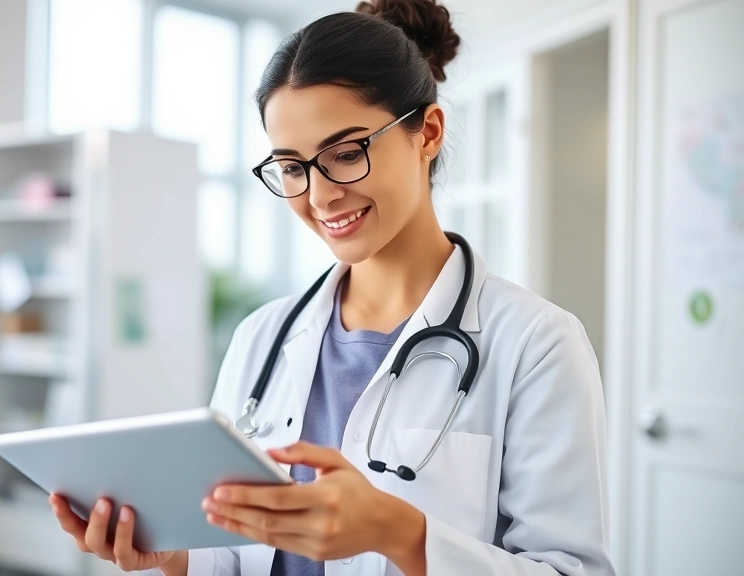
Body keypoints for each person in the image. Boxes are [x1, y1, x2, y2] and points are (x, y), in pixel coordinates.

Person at [49, 0, 617, 574]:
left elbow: (572, 569)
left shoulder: (536, 345)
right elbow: (233, 552)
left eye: (346, 154)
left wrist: (396, 532)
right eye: (292, 167)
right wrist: (174, 556)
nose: (319, 197)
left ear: (429, 133)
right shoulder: (263, 336)